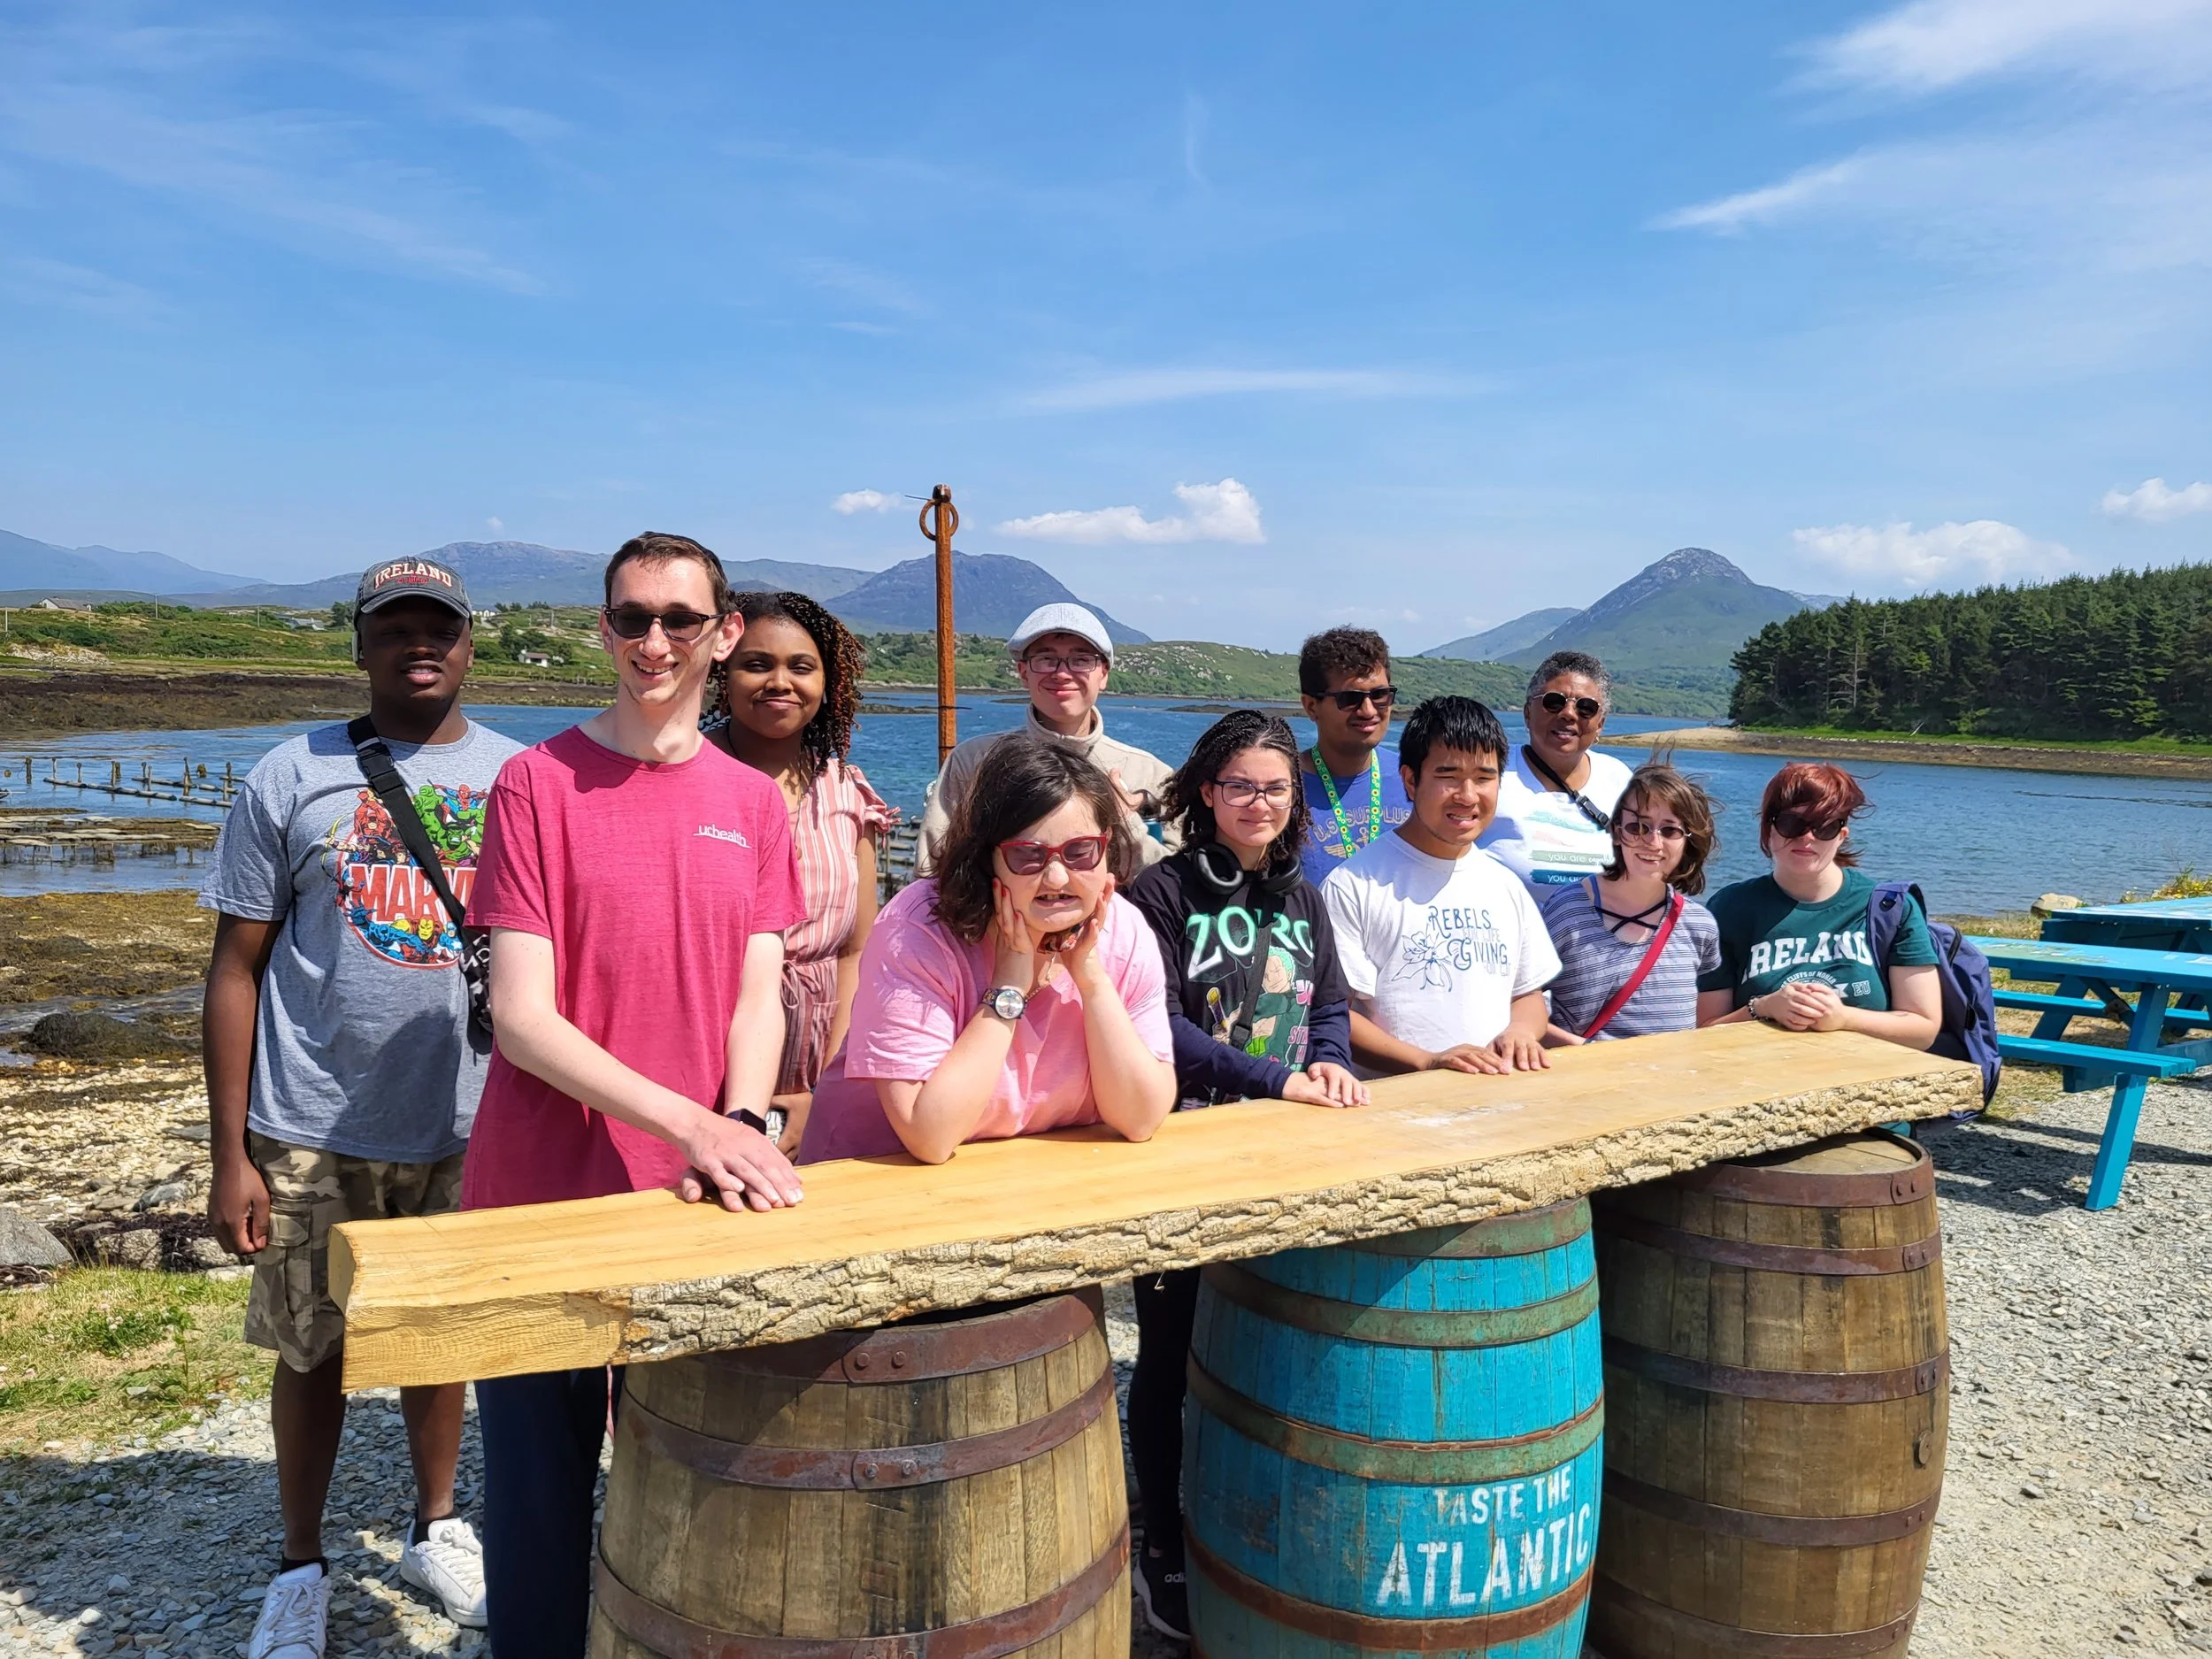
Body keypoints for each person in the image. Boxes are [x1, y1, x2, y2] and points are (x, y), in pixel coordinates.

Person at [464, 533, 807, 1657]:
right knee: (537, 1510)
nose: (650, 642)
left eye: (676, 619)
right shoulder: (534, 783)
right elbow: (522, 1018)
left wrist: (745, 1125)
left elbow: (759, 999)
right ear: (603, 629)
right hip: (541, 1200)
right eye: (628, 618)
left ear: (722, 635)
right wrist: (696, 1121)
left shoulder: (752, 805)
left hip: (696, 1199)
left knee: (700, 1482)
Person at [200, 554, 517, 1655]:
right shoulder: (289, 775)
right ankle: (299, 1564)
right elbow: (235, 966)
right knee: (313, 1349)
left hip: (477, 1120)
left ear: (468, 643)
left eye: (439, 628)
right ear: (362, 646)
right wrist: (229, 1151)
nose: (418, 645)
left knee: (441, 1341)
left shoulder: (520, 778)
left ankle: (436, 1526)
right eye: (395, 630)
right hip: (313, 1120)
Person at [1123, 710, 1368, 1640]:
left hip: (1283, 1150)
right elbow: (1160, 1030)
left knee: (1265, 1338)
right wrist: (1275, 1077)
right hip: (1183, 1148)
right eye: (1238, 787)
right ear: (1203, 793)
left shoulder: (1304, 894)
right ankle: (1163, 1546)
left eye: (1274, 788)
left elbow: (1331, 1004)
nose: (1257, 803)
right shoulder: (1162, 892)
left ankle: (1244, 1520)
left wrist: (1334, 1061)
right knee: (1170, 1350)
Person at [798, 739, 1178, 1164]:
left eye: (1080, 853)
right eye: (1028, 856)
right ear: (986, 858)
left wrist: (1092, 981)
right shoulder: (918, 931)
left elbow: (1140, 1118)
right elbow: (930, 1136)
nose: (1056, 877)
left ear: (1106, 848)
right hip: (872, 1181)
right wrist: (1008, 988)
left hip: (1016, 1180)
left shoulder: (1122, 931)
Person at [709, 589, 895, 1151]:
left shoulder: (847, 793)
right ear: (723, 670)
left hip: (820, 1063)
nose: (779, 682)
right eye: (757, 664)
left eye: (801, 666)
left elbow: (858, 950)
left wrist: (825, 1087)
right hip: (710, 1063)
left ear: (827, 682)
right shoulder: (687, 779)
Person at [1323, 695, 1560, 1075]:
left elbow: (1528, 994)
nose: (1468, 796)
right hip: (1393, 1106)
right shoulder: (1353, 884)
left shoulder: (1505, 885)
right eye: (1448, 777)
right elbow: (1333, 1014)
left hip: (1498, 1101)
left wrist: (1520, 1032)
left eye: (1484, 778)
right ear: (1411, 780)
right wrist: (1427, 1061)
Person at [1694, 762, 1942, 1048]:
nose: (1807, 837)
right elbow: (1705, 1031)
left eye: (1824, 826)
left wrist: (1843, 1017)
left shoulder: (1891, 907)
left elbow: (1923, 1029)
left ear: (1841, 836)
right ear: (1769, 828)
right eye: (1791, 823)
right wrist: (1764, 1008)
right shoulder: (1729, 908)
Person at [917, 602, 1175, 872]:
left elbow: (1176, 890)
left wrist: (1126, 822)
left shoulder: (1151, 774)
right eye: (1046, 659)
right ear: (1023, 672)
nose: (1062, 673)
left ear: (1104, 673)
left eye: (1081, 659)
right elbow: (931, 874)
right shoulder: (973, 763)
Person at [1540, 763, 1722, 1043]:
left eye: (1670, 830)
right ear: (1616, 832)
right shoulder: (1567, 911)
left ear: (1688, 841)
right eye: (1638, 827)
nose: (1652, 841)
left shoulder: (1700, 926)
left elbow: (1704, 1024)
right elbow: (1518, 1005)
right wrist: (1590, 1055)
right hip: (1586, 1081)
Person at [1479, 650, 1635, 893]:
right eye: (1554, 702)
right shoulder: (1490, 773)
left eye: (1586, 708)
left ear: (1600, 724)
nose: (1568, 714)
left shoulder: (1620, 779)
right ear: (1528, 712)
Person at [1295, 626, 1412, 884]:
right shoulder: (1281, 787)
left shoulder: (1415, 777)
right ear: (1311, 707)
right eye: (1350, 699)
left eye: (1380, 695)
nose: (1369, 710)